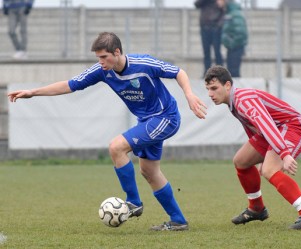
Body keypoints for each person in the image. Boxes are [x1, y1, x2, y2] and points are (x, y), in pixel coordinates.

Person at [8, 32, 207, 231]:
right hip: (146, 121)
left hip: (166, 117)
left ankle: (134, 203)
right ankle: (178, 220)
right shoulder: (102, 71)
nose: (101, 62)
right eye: (98, 58)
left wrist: (189, 95)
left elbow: (178, 72)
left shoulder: (144, 63)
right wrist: (33, 93)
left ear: (117, 52)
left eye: (104, 57)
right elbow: (69, 85)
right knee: (149, 171)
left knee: (116, 147)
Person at [204, 65, 301, 230]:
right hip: (276, 130)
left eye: (214, 88)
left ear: (228, 85)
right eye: (208, 89)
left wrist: (285, 153)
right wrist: (261, 155)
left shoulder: (243, 100)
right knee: (241, 161)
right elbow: (254, 129)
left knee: (269, 170)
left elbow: (266, 126)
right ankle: (256, 208)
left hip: (293, 127)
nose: (210, 94)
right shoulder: (234, 102)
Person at [194, 0, 225, 76]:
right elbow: (197, 4)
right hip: (205, 28)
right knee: (206, 52)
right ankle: (207, 72)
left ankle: (220, 72)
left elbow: (225, 10)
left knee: (217, 51)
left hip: (216, 28)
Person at [221, 0, 248, 78]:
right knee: (231, 72)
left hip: (236, 47)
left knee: (234, 71)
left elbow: (241, 33)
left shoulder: (235, 14)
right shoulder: (230, 14)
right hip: (232, 47)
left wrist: (231, 43)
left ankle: (236, 89)